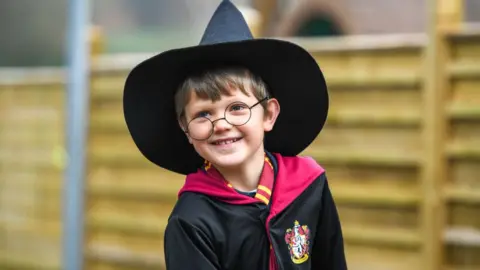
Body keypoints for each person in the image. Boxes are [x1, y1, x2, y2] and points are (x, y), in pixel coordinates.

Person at [123, 0, 347, 269]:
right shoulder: (191, 221)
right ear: (186, 129)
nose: (220, 124)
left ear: (268, 115)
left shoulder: (309, 185)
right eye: (203, 114)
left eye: (237, 108)